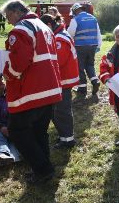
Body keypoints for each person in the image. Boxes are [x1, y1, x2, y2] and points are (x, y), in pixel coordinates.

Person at [0, 0, 62, 184]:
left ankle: (43, 169)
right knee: (39, 132)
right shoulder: (44, 26)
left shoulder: (20, 29)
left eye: (9, 16)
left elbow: (20, 62)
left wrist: (7, 74)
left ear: (17, 11)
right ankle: (42, 169)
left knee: (17, 131)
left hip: (30, 91)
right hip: (49, 89)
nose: (8, 21)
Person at [40, 14, 79, 149]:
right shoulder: (60, 35)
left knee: (62, 111)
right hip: (63, 80)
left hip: (64, 80)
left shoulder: (59, 39)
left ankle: (68, 140)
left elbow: (57, 62)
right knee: (58, 111)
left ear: (49, 25)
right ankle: (64, 136)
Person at [67, 3, 102, 98]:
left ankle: (82, 89)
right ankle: (95, 81)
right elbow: (98, 32)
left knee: (80, 66)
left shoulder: (75, 19)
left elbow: (70, 33)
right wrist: (98, 45)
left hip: (80, 46)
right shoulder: (93, 18)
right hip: (93, 45)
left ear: (75, 11)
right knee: (90, 64)